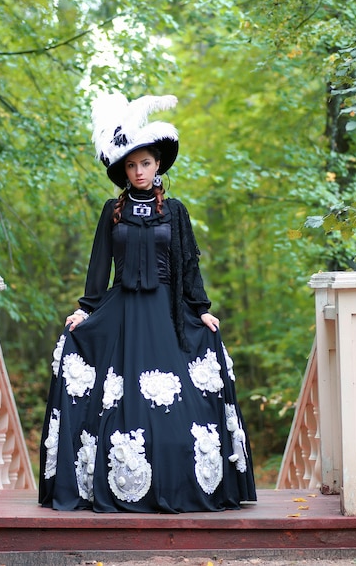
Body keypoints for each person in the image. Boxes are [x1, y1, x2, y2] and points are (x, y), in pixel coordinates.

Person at [39, 92, 257, 513]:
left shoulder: (175, 211)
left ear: (158, 166)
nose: (139, 171)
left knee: (179, 404)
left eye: (146, 163)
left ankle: (180, 484)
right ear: (123, 170)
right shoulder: (112, 211)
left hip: (166, 314)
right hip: (121, 314)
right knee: (96, 377)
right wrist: (85, 310)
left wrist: (201, 308)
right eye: (131, 165)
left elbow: (188, 264)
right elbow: (99, 265)